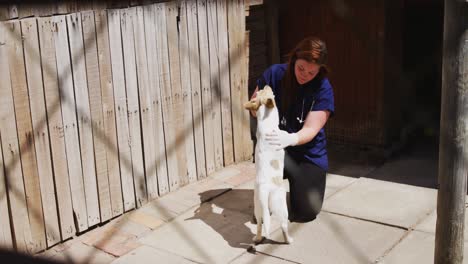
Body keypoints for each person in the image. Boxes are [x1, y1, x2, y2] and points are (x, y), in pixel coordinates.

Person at [250, 36, 334, 222]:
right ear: (294, 58)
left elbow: (311, 129)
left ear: (320, 70)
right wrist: (257, 106)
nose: (304, 74)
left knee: (306, 212)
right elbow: (254, 106)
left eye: (312, 72)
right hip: (275, 149)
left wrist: (290, 139)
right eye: (301, 68)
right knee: (262, 211)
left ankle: (298, 188)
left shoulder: (323, 88)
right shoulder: (274, 74)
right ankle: (270, 192)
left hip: (307, 153)